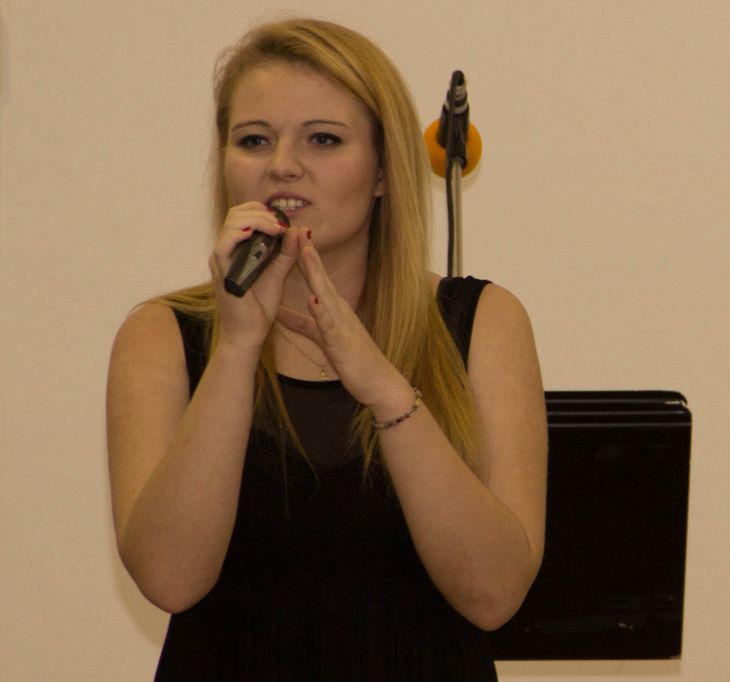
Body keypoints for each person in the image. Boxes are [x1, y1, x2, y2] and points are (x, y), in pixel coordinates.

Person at [106, 17, 547, 680]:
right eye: (254, 140)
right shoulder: (161, 334)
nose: (283, 165)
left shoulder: (483, 321)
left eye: (323, 139)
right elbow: (170, 579)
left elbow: (493, 594)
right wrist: (237, 346)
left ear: (383, 172)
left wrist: (386, 390)